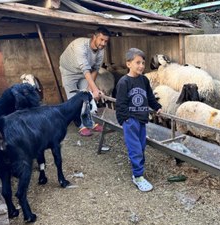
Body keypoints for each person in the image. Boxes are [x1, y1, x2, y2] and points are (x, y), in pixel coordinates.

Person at [115, 48, 162, 192]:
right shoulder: (124, 82)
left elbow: (149, 96)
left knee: (141, 147)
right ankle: (138, 176)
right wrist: (125, 119)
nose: (141, 66)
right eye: (137, 63)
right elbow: (120, 104)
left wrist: (157, 107)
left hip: (142, 119)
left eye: (143, 62)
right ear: (128, 64)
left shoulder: (144, 80)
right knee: (135, 149)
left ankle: (136, 164)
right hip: (130, 121)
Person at [59, 27, 111, 137]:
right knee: (73, 99)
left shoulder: (101, 51)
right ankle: (81, 125)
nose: (103, 43)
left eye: (106, 41)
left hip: (83, 73)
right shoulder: (80, 46)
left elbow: (96, 68)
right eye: (101, 40)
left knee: (87, 97)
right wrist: (95, 89)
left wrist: (90, 88)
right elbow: (85, 68)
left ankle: (90, 123)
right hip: (69, 71)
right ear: (94, 37)